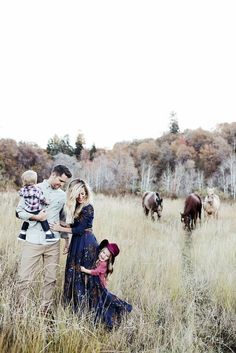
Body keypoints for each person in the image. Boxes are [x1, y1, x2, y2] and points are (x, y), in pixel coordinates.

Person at [51, 178, 132, 330]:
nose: (81, 197)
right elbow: (76, 226)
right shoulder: (78, 206)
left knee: (84, 277)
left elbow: (81, 229)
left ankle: (86, 309)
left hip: (86, 244)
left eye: (83, 193)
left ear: (87, 193)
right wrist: (64, 224)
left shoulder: (88, 207)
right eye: (78, 194)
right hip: (77, 242)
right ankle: (74, 307)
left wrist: (61, 229)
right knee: (74, 274)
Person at [16, 164, 72, 313]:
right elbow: (19, 211)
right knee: (24, 278)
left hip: (53, 242)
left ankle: (44, 310)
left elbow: (62, 217)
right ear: (53, 174)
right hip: (33, 241)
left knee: (51, 279)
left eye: (64, 183)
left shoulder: (62, 195)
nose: (61, 184)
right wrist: (35, 217)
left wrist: (66, 239)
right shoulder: (34, 188)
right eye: (60, 180)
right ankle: (23, 310)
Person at [17, 169, 56, 242]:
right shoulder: (37, 189)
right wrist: (46, 202)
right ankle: (48, 234)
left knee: (26, 221)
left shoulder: (23, 190)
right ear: (35, 181)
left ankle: (22, 234)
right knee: (43, 219)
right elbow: (41, 198)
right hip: (36, 210)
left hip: (28, 210)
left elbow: (20, 194)